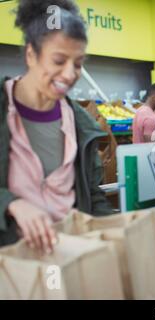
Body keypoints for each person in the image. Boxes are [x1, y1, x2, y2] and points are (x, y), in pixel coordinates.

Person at [0, 0, 113, 251]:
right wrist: (12, 203)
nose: (70, 73)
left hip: (69, 259)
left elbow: (92, 197)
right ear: (31, 54)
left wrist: (122, 230)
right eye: (59, 60)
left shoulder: (81, 125)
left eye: (78, 63)